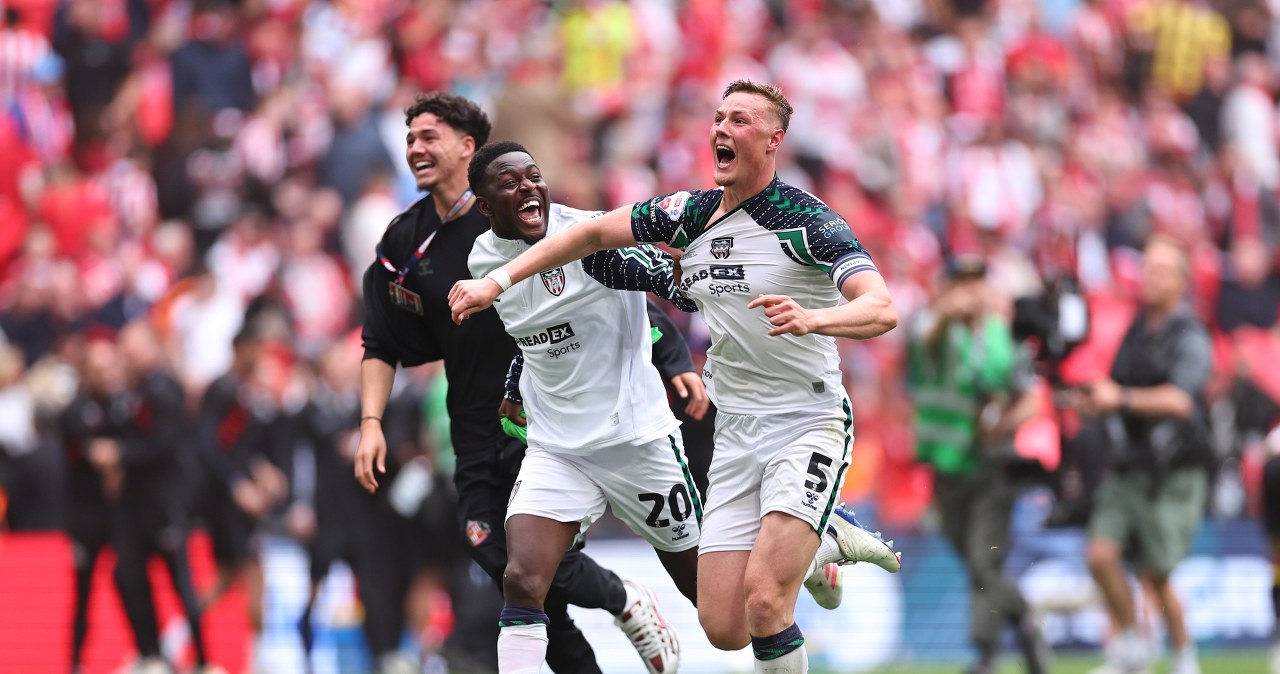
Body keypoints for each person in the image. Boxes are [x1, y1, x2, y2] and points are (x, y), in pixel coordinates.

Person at [450, 80, 901, 674]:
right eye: (718, 117)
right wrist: (497, 289)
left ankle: (817, 539)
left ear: (773, 140)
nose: (721, 128)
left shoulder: (807, 221)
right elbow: (566, 272)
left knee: (763, 600)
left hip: (788, 420)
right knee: (720, 626)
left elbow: (882, 308)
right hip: (715, 432)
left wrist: (815, 317)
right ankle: (819, 549)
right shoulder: (688, 214)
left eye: (739, 120)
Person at [353, 91, 682, 674]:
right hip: (474, 424)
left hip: (545, 421)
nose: (416, 149)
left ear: (466, 146)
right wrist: (371, 423)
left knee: (528, 578)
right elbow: (379, 341)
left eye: (429, 136)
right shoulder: (404, 244)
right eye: (409, 140)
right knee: (497, 556)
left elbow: (614, 293)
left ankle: (624, 602)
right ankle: (620, 597)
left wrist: (672, 356)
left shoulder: (539, 218)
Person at [1063, 236, 1213, 674]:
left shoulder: (1189, 333)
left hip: (1173, 471)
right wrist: (1092, 401)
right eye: (1147, 268)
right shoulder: (1137, 326)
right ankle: (1131, 648)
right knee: (1101, 555)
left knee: (1156, 573)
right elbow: (1115, 388)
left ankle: (1185, 657)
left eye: (1162, 270)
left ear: (1182, 282)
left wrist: (1120, 398)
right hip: (1130, 463)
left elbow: (1181, 401)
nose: (1150, 277)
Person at [907, 255, 1049, 674]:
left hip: (991, 468)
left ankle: (986, 657)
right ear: (947, 289)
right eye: (961, 283)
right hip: (946, 469)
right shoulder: (930, 326)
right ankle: (1023, 621)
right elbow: (918, 343)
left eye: (978, 283)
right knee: (977, 564)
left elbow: (1032, 398)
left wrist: (1004, 420)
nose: (970, 292)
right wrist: (941, 313)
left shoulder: (1002, 338)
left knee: (984, 562)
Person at [112, 319, 214, 673]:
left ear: (153, 349)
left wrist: (120, 454)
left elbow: (165, 444)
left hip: (165, 503)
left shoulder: (164, 390)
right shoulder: (129, 393)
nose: (127, 356)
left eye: (134, 348)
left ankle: (202, 659)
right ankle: (151, 652)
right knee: (128, 576)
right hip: (134, 506)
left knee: (179, 583)